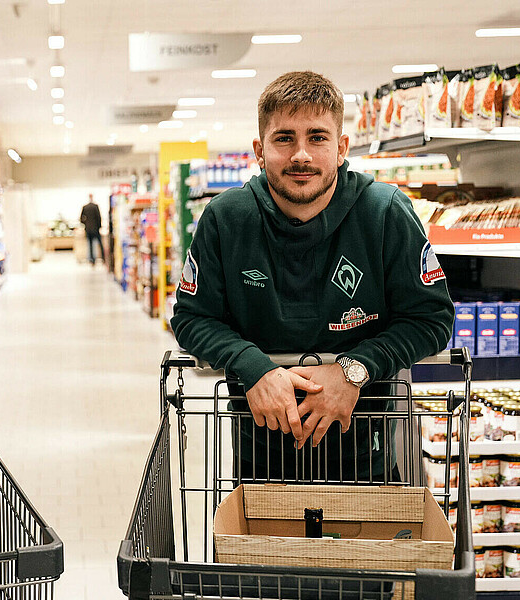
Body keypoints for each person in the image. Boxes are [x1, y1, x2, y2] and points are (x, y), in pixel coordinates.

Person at [170, 71, 454, 483]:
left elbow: (432, 318)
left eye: (317, 137)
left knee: (363, 548)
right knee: (261, 550)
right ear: (259, 151)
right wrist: (254, 367)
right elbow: (192, 317)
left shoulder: (385, 213)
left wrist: (354, 369)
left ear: (341, 148)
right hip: (258, 458)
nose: (300, 154)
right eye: (284, 138)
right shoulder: (227, 219)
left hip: (366, 455)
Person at [80, 194, 104, 265]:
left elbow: (81, 218)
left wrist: (86, 224)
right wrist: (99, 226)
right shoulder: (95, 207)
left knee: (90, 244)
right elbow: (99, 217)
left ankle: (92, 259)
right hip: (95, 228)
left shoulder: (85, 207)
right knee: (100, 243)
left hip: (88, 229)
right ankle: (103, 257)